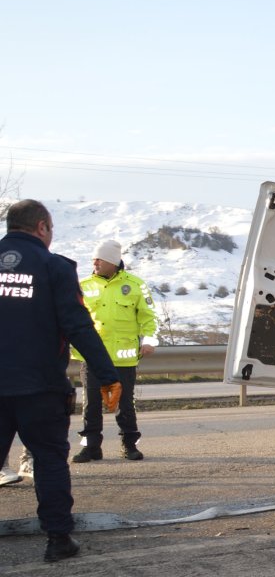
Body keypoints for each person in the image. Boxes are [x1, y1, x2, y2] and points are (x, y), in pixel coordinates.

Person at [0, 199, 121, 562]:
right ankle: (58, 540)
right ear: (42, 228)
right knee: (49, 460)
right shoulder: (54, 267)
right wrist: (108, 375)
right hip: (40, 387)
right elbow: (77, 325)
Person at [72, 239, 159, 463]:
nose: (95, 262)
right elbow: (73, 317)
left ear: (113, 261)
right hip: (93, 357)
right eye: (94, 259)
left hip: (124, 357)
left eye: (100, 259)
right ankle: (91, 447)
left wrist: (149, 340)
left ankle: (129, 444)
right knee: (91, 404)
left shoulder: (135, 285)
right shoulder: (84, 285)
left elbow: (149, 316)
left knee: (124, 405)